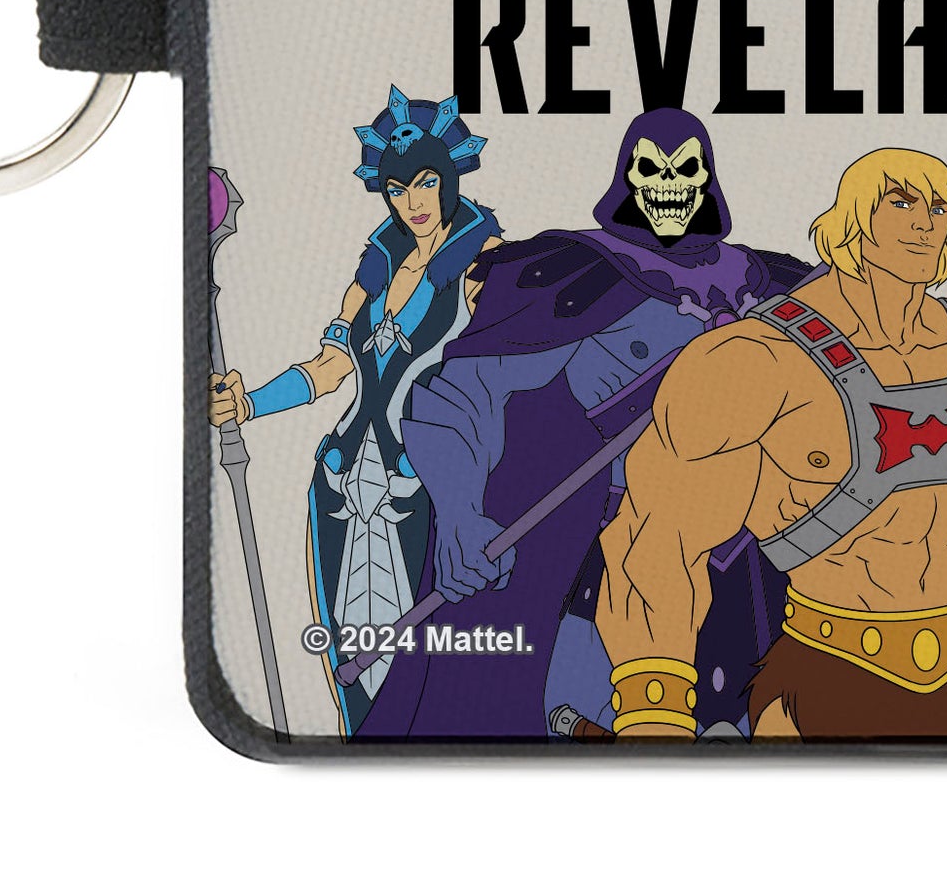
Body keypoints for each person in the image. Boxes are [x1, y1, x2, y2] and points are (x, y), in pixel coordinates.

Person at [596, 150, 947, 741]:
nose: (925, 223)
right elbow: (657, 545)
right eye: (901, 203)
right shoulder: (755, 362)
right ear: (850, 221)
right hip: (820, 684)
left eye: (939, 210)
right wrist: (654, 720)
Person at [353, 107, 810, 740]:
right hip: (613, 568)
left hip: (755, 564)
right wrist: (459, 510)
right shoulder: (575, 274)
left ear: (706, 180)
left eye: (684, 171)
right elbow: (458, 394)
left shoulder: (772, 284)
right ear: (628, 178)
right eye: (652, 170)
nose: (669, 187)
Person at [208, 87, 500, 735]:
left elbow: (499, 382)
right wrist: (249, 403)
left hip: (430, 488)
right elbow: (330, 368)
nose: (414, 202)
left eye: (426, 183)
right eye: (398, 189)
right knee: (347, 655)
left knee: (429, 661)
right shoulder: (376, 268)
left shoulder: (483, 265)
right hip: (341, 484)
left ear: (451, 176)